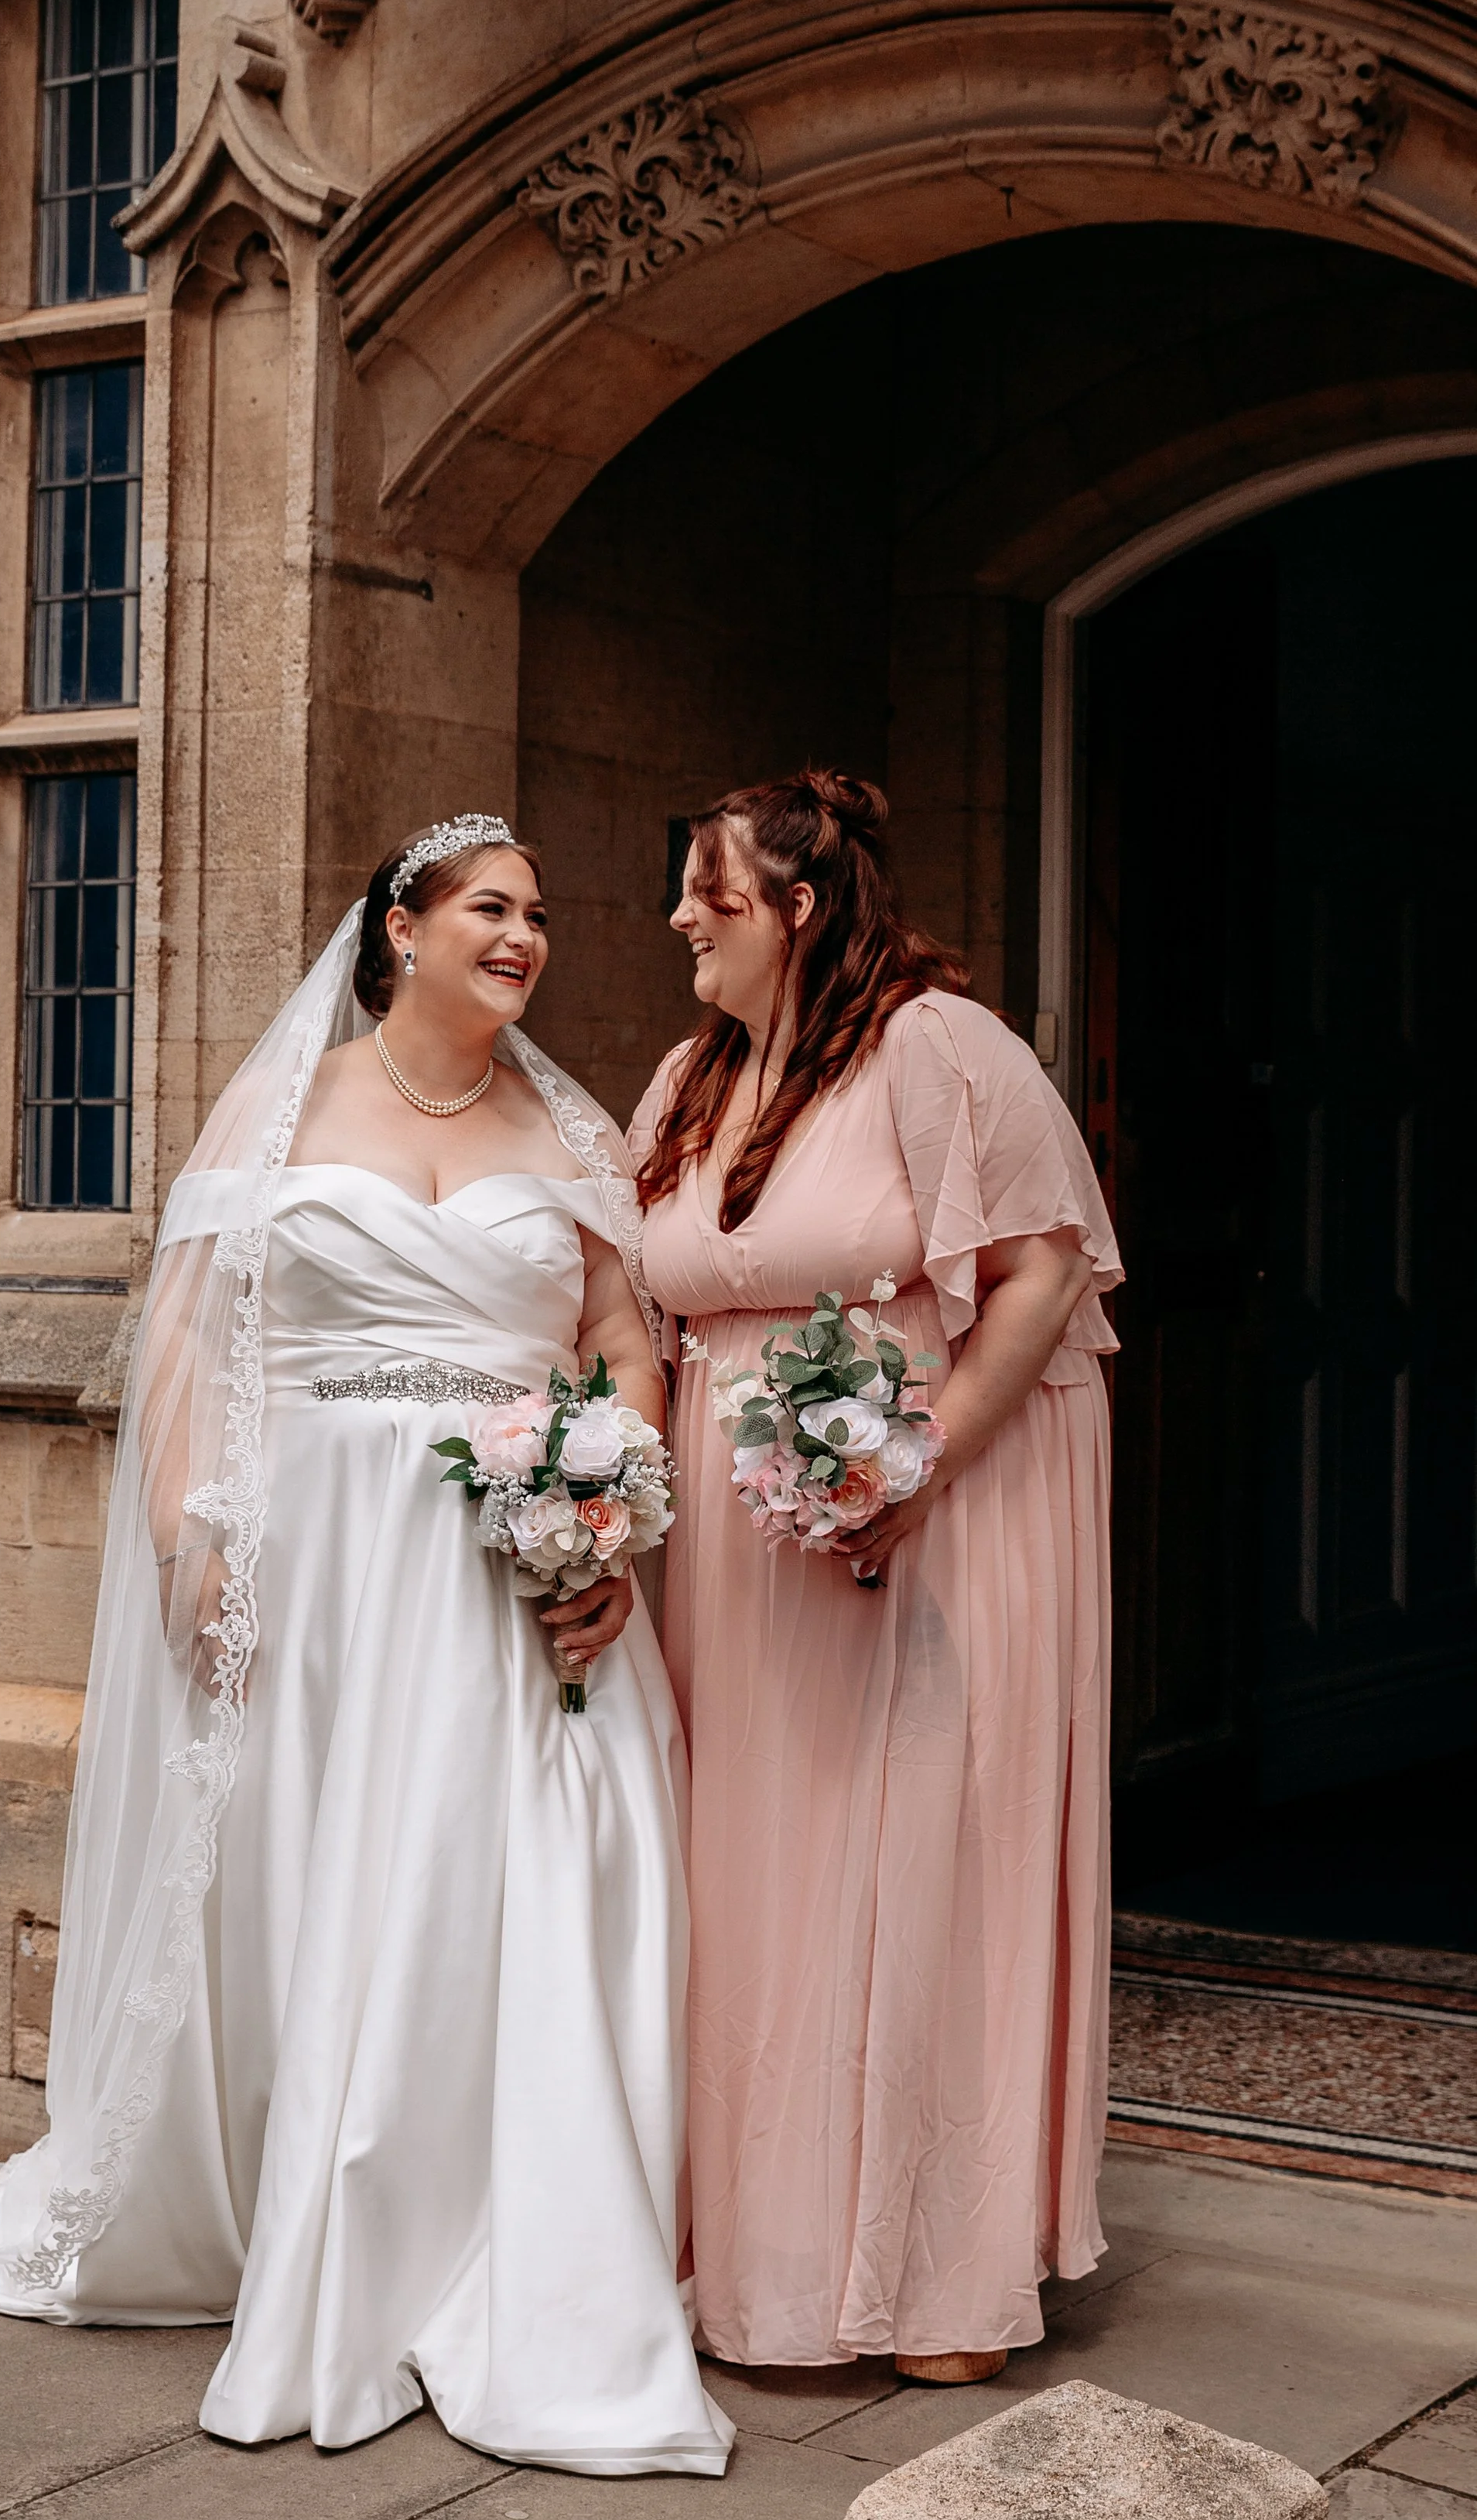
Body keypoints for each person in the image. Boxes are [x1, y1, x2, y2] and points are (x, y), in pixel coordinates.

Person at [0, 813, 733, 2481]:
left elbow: (619, 1337)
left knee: (496, 1881)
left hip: (501, 1563)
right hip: (315, 1567)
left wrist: (606, 1516)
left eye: (535, 912)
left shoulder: (572, 1128)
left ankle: (482, 2238)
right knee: (312, 1875)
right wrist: (188, 1535)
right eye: (487, 905)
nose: (522, 934)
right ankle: (288, 2204)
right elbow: (184, 1332)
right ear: (399, 926)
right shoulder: (285, 1105)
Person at [629, 769, 1120, 2385]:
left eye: (707, 886)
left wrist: (912, 1472)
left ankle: (927, 2273)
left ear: (798, 905)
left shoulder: (937, 1047)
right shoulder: (691, 1078)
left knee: (912, 1853)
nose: (678, 915)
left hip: (921, 1521)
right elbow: (637, 1299)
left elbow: (1044, 1267)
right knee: (752, 1875)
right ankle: (753, 2254)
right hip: (730, 1546)